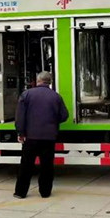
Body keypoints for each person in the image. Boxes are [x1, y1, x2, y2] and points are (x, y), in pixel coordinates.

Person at [14, 71, 69, 199]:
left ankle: (20, 192)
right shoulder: (56, 97)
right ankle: (45, 192)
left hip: (30, 136)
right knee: (47, 166)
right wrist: (53, 122)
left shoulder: (26, 94)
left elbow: (20, 117)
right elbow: (64, 115)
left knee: (26, 165)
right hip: (49, 137)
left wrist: (21, 132)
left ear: (38, 81)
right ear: (49, 82)